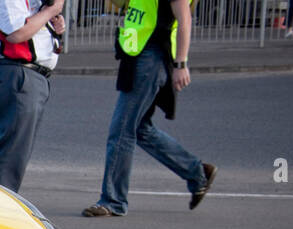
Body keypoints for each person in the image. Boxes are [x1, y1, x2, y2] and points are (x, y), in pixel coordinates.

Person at [82, 0, 216, 217]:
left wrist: (181, 63)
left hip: (152, 56)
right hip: (138, 54)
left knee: (122, 129)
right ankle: (197, 173)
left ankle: (113, 201)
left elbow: (184, 18)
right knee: (140, 129)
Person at [0, 0, 64, 193]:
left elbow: (33, 27)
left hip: (25, 75)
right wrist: (52, 10)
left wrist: (54, 25)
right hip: (18, 74)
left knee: (12, 156)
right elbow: (17, 33)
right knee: (8, 159)